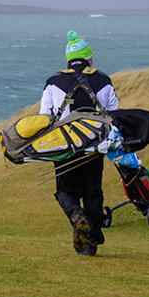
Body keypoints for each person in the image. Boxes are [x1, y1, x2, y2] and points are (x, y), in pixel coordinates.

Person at [38, 31, 121, 256]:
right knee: (93, 193)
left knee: (64, 191)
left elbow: (44, 116)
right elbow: (114, 113)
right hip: (95, 147)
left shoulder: (54, 82)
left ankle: (77, 216)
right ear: (88, 59)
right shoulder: (104, 80)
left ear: (68, 59)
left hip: (65, 148)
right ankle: (91, 244)